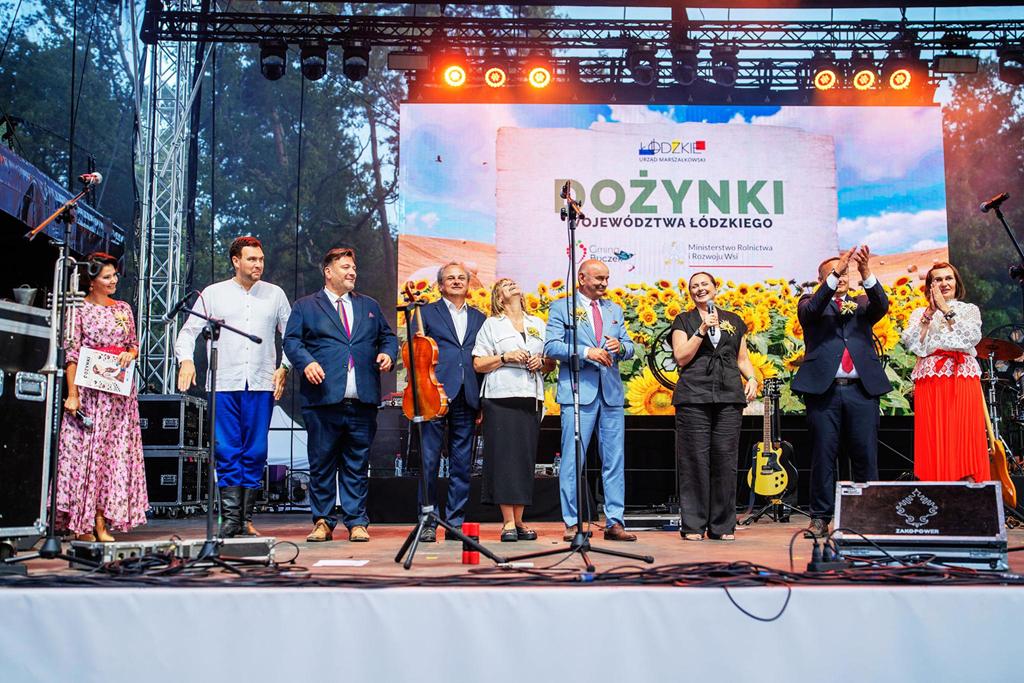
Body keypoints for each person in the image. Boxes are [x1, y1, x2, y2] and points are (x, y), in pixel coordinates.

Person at [175, 236, 291, 538]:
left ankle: (246, 518)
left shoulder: (275, 294)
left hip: (261, 382)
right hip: (224, 382)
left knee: (256, 449)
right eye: (252, 259)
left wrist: (284, 367)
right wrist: (186, 361)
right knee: (227, 448)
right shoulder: (214, 294)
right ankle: (229, 518)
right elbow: (188, 333)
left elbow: (292, 336)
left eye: (261, 259)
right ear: (236, 261)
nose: (258, 264)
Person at [284, 247, 397, 543]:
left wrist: (388, 353)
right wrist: (306, 362)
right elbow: (292, 341)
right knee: (321, 464)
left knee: (356, 465)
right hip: (322, 399)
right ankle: (322, 521)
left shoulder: (368, 305)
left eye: (354, 268)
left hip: (362, 400)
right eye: (345, 267)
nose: (352, 272)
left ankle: (356, 522)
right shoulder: (306, 306)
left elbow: (388, 336)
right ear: (328, 271)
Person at [792, 245, 891, 537]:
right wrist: (835, 273)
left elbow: (882, 305)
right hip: (825, 392)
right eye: (837, 272)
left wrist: (865, 270)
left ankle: (867, 515)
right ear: (822, 279)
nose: (843, 276)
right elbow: (812, 310)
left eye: (846, 272)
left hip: (861, 391)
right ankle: (820, 518)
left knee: (865, 455)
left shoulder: (861, 303)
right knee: (823, 455)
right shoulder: (809, 303)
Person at [56, 252, 148, 541]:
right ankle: (81, 524)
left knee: (112, 457)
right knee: (87, 455)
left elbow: (133, 345)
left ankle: (101, 521)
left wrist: (129, 354)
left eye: (115, 275)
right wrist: (72, 395)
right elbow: (72, 355)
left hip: (118, 396)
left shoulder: (123, 309)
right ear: (92, 281)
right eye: (107, 277)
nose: (113, 280)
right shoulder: (79, 309)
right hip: (90, 391)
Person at [544, 259, 637, 542]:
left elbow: (630, 347)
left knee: (614, 460)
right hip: (577, 393)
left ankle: (615, 522)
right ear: (582, 278)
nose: (604, 284)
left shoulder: (614, 309)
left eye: (606, 278)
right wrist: (587, 352)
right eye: (598, 278)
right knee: (574, 460)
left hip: (610, 395)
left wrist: (620, 347)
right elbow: (551, 346)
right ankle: (572, 522)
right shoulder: (562, 307)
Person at [670, 272, 758, 542]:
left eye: (704, 284)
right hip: (693, 396)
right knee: (694, 461)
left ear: (715, 288)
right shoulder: (683, 320)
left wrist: (752, 378)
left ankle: (722, 526)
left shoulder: (734, 320)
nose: (699, 289)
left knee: (725, 460)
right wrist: (701, 330)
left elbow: (741, 358)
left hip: (729, 395)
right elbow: (681, 357)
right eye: (694, 286)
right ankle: (694, 525)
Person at [472, 278, 555, 542]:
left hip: (530, 396)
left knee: (524, 459)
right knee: (503, 458)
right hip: (501, 397)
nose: (512, 284)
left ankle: (519, 520)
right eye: (505, 284)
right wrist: (505, 357)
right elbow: (478, 363)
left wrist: (541, 361)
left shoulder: (537, 323)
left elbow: (551, 363)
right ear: (499, 297)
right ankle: (507, 521)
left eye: (513, 282)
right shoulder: (491, 324)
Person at [415, 262, 486, 543]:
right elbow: (416, 353)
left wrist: (481, 401)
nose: (456, 281)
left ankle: (455, 522)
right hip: (433, 393)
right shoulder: (425, 313)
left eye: (461, 278)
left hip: (467, 396)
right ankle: (428, 520)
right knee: (429, 461)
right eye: (450, 278)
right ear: (440, 285)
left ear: (468, 284)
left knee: (461, 464)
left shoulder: (480, 317)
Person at [900, 263, 988, 482]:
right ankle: (935, 490)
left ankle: (970, 490)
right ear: (930, 286)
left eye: (949, 278)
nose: (944, 283)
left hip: (961, 377)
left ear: (956, 283)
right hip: (930, 381)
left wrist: (946, 310)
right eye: (937, 280)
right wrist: (929, 314)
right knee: (933, 437)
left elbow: (969, 338)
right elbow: (912, 344)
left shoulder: (969, 310)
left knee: (964, 434)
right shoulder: (919, 313)